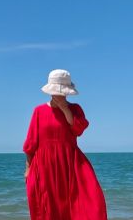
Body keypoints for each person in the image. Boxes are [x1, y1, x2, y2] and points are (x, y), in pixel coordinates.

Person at [23, 69, 107, 220]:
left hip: (70, 163)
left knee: (91, 202)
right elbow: (31, 142)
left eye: (61, 92)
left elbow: (78, 130)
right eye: (55, 92)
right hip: (44, 165)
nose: (57, 95)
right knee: (48, 208)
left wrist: (65, 109)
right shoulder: (39, 111)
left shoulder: (75, 109)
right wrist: (28, 168)